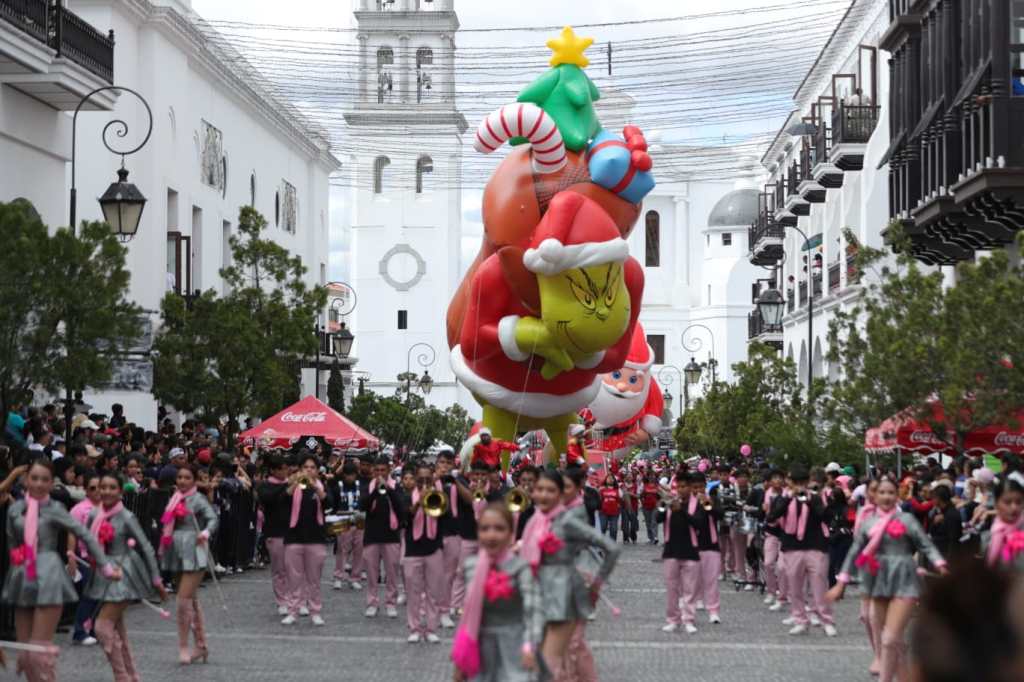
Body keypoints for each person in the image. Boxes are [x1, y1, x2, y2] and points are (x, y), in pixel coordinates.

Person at [2, 459, 119, 680]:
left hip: (48, 576)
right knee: (27, 657)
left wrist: (104, 565)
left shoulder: (55, 508)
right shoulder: (15, 509)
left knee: (39, 653)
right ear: (26, 480)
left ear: (50, 483)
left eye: (44, 479)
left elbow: (84, 534)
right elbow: (11, 541)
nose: (38, 484)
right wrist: (15, 559)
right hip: (22, 575)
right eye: (34, 478)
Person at [828, 476, 948, 682]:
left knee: (891, 637)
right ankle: (901, 676)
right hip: (877, 578)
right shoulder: (868, 522)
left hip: (904, 577)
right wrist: (841, 583)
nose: (886, 496)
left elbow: (925, 545)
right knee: (887, 638)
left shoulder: (907, 520)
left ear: (897, 495)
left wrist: (941, 565)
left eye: (891, 492)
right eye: (882, 492)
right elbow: (854, 552)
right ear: (875, 496)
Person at [520, 470, 620, 678]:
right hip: (539, 594)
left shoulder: (567, 520)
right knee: (548, 659)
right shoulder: (537, 520)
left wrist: (597, 584)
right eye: (540, 489)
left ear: (560, 495)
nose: (544, 495)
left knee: (551, 662)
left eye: (551, 490)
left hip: (564, 595)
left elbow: (612, 548)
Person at [86, 471, 167, 682]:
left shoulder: (126, 516)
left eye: (112, 488)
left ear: (121, 492)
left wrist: (156, 580)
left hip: (124, 572)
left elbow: (147, 547)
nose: (106, 492)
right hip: (104, 573)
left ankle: (121, 677)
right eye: (102, 487)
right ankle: (132, 676)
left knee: (102, 627)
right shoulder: (94, 515)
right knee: (118, 629)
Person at [451, 503, 542, 682]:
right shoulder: (471, 567)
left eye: (499, 529)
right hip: (481, 648)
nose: (491, 535)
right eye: (485, 529)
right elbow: (468, 615)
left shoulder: (519, 567)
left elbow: (533, 610)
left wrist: (529, 645)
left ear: (510, 534)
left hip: (514, 646)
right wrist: (460, 659)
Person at [157, 463, 219, 665]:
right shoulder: (174, 499)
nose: (182, 481)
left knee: (182, 601)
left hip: (194, 549)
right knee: (190, 600)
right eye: (180, 477)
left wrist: (205, 532)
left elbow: (212, 519)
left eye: (187, 478)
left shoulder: (198, 499)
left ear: (194, 480)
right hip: (175, 549)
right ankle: (201, 645)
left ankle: (183, 646)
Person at [768, 466, 835, 637]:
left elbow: (826, 517)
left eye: (802, 483)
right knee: (795, 587)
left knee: (819, 585)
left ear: (807, 483)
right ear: (789, 483)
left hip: (815, 545)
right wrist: (788, 500)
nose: (798, 486)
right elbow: (772, 517)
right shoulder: (784, 498)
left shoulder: (816, 498)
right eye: (795, 483)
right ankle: (800, 620)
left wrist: (810, 500)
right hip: (792, 547)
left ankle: (825, 620)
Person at [281, 454, 328, 627]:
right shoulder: (293, 487)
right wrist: (295, 484)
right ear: (300, 469)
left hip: (316, 538)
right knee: (294, 578)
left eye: (312, 467)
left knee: (314, 579)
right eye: (306, 467)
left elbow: (329, 503)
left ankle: (315, 611)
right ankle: (293, 610)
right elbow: (283, 500)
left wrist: (316, 487)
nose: (309, 470)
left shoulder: (320, 487)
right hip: (294, 537)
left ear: (317, 470)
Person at [401, 461, 444, 643]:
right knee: (413, 592)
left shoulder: (440, 496)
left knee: (433, 592)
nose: (424, 483)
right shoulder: (405, 496)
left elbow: (445, 515)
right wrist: (419, 501)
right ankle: (415, 628)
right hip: (413, 549)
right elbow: (405, 517)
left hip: (434, 548)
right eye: (421, 480)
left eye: (428, 478)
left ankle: (431, 628)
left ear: (433, 477)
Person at [658, 473, 702, 634]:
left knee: (690, 590)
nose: (681, 489)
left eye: (684, 486)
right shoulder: (670, 501)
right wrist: (664, 503)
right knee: (671, 589)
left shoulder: (697, 504)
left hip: (691, 550)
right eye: (679, 486)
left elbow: (699, 523)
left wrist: (681, 511)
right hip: (671, 550)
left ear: (690, 488)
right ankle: (672, 620)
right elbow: (658, 517)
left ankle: (688, 620)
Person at [360, 456, 403, 619]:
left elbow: (401, 509)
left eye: (382, 470)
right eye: (376, 470)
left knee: (392, 573)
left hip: (391, 536)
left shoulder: (396, 486)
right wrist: (375, 491)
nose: (379, 473)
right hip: (372, 535)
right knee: (372, 573)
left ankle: (391, 603)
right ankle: (372, 603)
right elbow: (363, 505)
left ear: (388, 470)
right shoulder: (368, 486)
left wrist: (389, 490)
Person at [69, 471, 102, 646]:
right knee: (89, 595)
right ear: (86, 490)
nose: (97, 491)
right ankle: (80, 631)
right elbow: (72, 534)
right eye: (93, 488)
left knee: (100, 597)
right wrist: (71, 555)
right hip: (86, 558)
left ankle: (93, 629)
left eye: (100, 487)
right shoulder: (79, 509)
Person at [257, 454, 291, 615]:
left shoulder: (292, 483)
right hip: (275, 531)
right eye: (282, 469)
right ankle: (282, 601)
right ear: (273, 470)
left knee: (295, 568)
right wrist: (287, 488)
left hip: (293, 531)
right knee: (279, 569)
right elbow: (269, 499)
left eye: (286, 468)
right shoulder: (265, 486)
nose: (286, 472)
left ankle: (296, 598)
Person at [688, 472, 722, 624]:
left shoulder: (712, 499)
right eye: (695, 488)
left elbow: (719, 515)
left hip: (711, 544)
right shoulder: (687, 502)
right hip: (692, 544)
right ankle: (696, 601)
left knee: (712, 580)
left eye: (701, 487)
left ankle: (713, 610)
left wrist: (707, 504)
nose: (698, 490)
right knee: (694, 579)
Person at [328, 460, 365, 592]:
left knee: (358, 550)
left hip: (359, 518)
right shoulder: (337, 486)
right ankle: (338, 577)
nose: (350, 477)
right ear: (343, 475)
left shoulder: (361, 485)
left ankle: (355, 578)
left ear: (356, 474)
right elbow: (332, 503)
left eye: (352, 474)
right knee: (341, 550)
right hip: (341, 517)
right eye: (347, 474)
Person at [435, 450, 461, 627]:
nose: (444, 466)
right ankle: (428, 609)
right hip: (432, 532)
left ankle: (445, 611)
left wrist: (457, 482)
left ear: (453, 465)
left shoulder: (457, 483)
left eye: (448, 463)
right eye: (442, 462)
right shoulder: (428, 480)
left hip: (452, 531)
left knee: (449, 574)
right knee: (431, 574)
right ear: (437, 464)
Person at [981, 472, 1024, 571]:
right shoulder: (990, 537)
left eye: (1019, 502)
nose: (1014, 507)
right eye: (1007, 502)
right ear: (996, 504)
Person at [597, 474, 621, 541]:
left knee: (613, 529)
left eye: (612, 478)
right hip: (603, 512)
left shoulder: (617, 490)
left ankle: (612, 544)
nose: (610, 479)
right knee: (603, 528)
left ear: (614, 480)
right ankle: (601, 544)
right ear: (606, 480)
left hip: (614, 512)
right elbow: (599, 500)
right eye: (608, 478)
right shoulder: (601, 489)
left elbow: (621, 500)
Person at [639, 471, 660, 544]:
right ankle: (649, 537)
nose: (652, 477)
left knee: (654, 522)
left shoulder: (657, 486)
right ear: (648, 477)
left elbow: (660, 497)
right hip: (646, 507)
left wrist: (658, 504)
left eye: (653, 476)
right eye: (650, 476)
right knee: (648, 522)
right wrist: (642, 503)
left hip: (655, 507)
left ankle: (655, 537)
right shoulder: (645, 486)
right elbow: (641, 496)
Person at [620, 471, 639, 544]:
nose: (629, 477)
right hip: (624, 507)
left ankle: (633, 536)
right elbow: (620, 496)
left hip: (634, 507)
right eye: (628, 475)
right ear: (625, 477)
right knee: (625, 523)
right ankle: (625, 538)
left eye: (631, 476)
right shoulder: (622, 485)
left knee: (633, 523)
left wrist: (630, 494)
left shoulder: (636, 485)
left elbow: (638, 496)